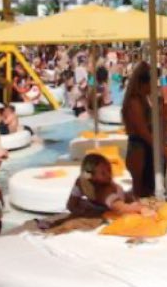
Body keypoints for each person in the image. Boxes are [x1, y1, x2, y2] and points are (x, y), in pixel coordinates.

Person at [67, 153, 154, 218]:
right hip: (117, 201)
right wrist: (142, 209)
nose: (109, 175)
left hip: (116, 200)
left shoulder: (83, 181)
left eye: (109, 170)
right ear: (92, 177)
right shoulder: (104, 191)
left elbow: (71, 205)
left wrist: (84, 212)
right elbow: (121, 208)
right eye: (103, 173)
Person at [123, 62, 159, 198]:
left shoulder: (143, 100)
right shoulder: (134, 102)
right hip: (138, 149)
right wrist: (163, 151)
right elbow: (143, 131)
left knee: (146, 191)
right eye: (152, 82)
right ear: (144, 83)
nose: (154, 86)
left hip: (142, 148)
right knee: (141, 192)